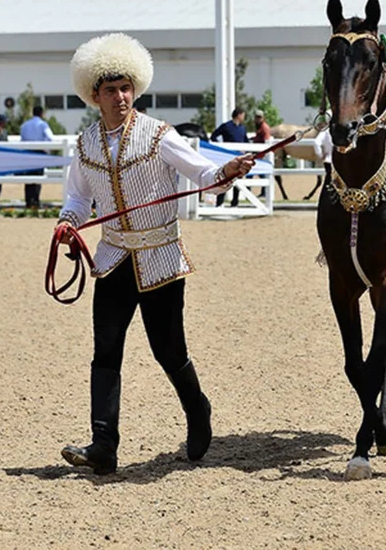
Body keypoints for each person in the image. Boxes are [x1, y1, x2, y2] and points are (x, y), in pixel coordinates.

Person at [56, 33, 254, 475]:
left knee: (168, 350)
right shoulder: (86, 144)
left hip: (161, 260)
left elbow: (202, 173)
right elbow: (76, 197)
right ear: (95, 96)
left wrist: (226, 170)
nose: (121, 97)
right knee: (105, 351)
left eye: (126, 88)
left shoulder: (159, 135)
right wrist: (68, 222)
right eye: (111, 90)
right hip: (112, 260)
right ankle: (104, 445)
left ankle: (197, 409)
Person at [19, 105, 54, 209]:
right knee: (38, 178)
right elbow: (50, 138)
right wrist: (46, 149)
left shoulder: (25, 125)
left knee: (28, 178)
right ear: (41, 113)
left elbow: (22, 140)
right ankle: (36, 201)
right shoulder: (43, 125)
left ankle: (28, 202)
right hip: (39, 153)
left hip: (28, 153)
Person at [211, 108, 247, 208]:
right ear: (239, 115)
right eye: (243, 115)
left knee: (238, 178)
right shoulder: (226, 126)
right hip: (227, 157)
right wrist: (222, 147)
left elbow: (246, 141)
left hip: (239, 157)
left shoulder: (242, 128)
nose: (244, 117)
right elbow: (214, 136)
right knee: (225, 178)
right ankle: (219, 203)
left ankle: (235, 203)